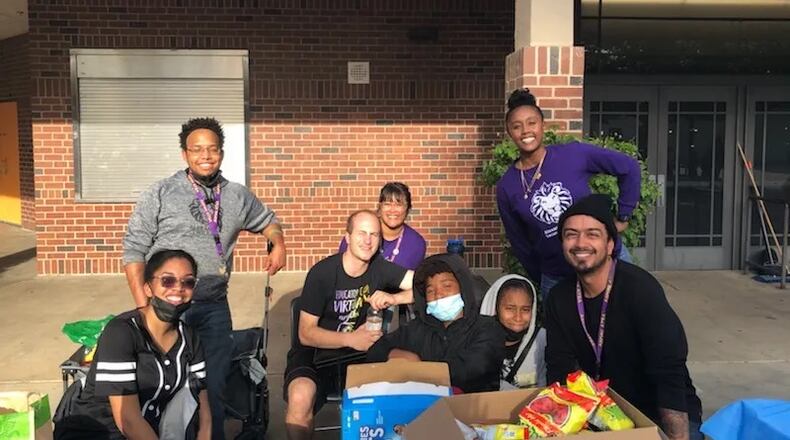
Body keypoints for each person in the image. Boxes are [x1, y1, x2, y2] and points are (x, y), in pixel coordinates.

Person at [122, 117, 286, 439]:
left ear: (221, 153)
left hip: (213, 308)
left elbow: (268, 221)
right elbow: (134, 251)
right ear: (185, 154)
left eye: (212, 149)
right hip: (166, 308)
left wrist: (278, 242)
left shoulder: (237, 195)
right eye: (197, 149)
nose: (205, 156)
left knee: (214, 387)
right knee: (164, 386)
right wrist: (144, 309)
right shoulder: (161, 192)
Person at [544, 194, 703, 440]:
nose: (580, 243)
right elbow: (559, 369)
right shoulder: (559, 298)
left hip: (656, 414)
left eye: (592, 234)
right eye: (571, 234)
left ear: (610, 245)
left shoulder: (640, 290)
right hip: (602, 415)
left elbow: (669, 373)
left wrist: (676, 437)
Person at [496, 88, 641, 301]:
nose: (525, 131)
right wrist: (543, 274)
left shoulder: (573, 155)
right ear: (509, 132)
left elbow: (629, 168)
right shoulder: (507, 186)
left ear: (542, 125)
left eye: (531, 123)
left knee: (626, 319)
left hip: (607, 264)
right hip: (557, 277)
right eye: (517, 126)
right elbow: (520, 243)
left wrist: (623, 215)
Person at [284, 209, 414, 440]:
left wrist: (394, 298)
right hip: (316, 354)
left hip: (360, 355)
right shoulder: (322, 273)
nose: (367, 240)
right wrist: (351, 339)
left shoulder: (380, 268)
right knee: (300, 396)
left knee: (408, 367)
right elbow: (305, 333)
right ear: (347, 237)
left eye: (374, 234)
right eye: (361, 233)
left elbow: (424, 285)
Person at [54, 250, 210, 440]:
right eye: (168, 280)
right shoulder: (121, 332)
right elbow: (127, 420)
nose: (178, 288)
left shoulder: (190, 338)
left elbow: (203, 405)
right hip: (97, 433)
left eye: (188, 282)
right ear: (148, 288)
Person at [367, 254, 505, 394]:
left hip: (473, 406)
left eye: (447, 286)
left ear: (463, 287)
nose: (439, 294)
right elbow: (375, 351)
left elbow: (471, 370)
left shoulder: (488, 328)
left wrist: (419, 368)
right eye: (430, 291)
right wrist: (393, 353)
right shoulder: (417, 328)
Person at [339, 182, 427, 270]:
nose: (392, 210)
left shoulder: (416, 244)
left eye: (399, 205)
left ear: (408, 209)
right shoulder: (357, 236)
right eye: (387, 204)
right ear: (380, 207)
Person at [479, 274, 546, 390]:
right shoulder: (476, 342)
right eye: (510, 308)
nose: (518, 317)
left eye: (525, 309)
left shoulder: (542, 341)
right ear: (495, 308)